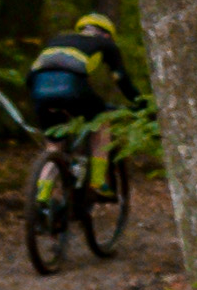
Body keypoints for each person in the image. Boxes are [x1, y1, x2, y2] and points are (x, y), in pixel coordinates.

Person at [26, 10, 142, 188]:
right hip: (72, 87)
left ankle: (41, 198)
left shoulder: (57, 41)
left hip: (39, 88)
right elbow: (121, 79)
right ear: (106, 33)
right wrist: (141, 104)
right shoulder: (106, 43)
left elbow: (29, 77)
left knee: (54, 146)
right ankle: (97, 182)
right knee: (102, 121)